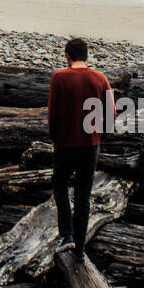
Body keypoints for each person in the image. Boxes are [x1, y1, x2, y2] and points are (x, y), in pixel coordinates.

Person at [48, 38, 115, 261]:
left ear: (67, 55)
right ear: (86, 56)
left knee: (59, 186)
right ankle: (80, 249)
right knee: (83, 195)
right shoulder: (99, 78)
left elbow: (53, 113)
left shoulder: (59, 78)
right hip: (90, 145)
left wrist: (54, 137)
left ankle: (67, 236)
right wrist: (101, 135)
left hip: (65, 144)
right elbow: (111, 112)